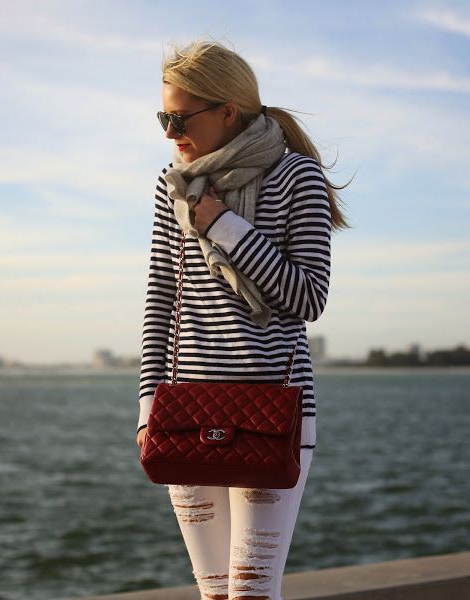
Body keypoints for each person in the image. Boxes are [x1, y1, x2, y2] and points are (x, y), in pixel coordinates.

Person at [136, 39, 351, 600]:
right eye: (163, 117)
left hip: (273, 413)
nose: (169, 132)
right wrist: (147, 408)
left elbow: (308, 298)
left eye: (180, 118)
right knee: (214, 593)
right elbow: (161, 298)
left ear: (228, 112)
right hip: (184, 412)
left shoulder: (297, 178)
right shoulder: (173, 186)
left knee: (252, 593)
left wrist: (224, 226)